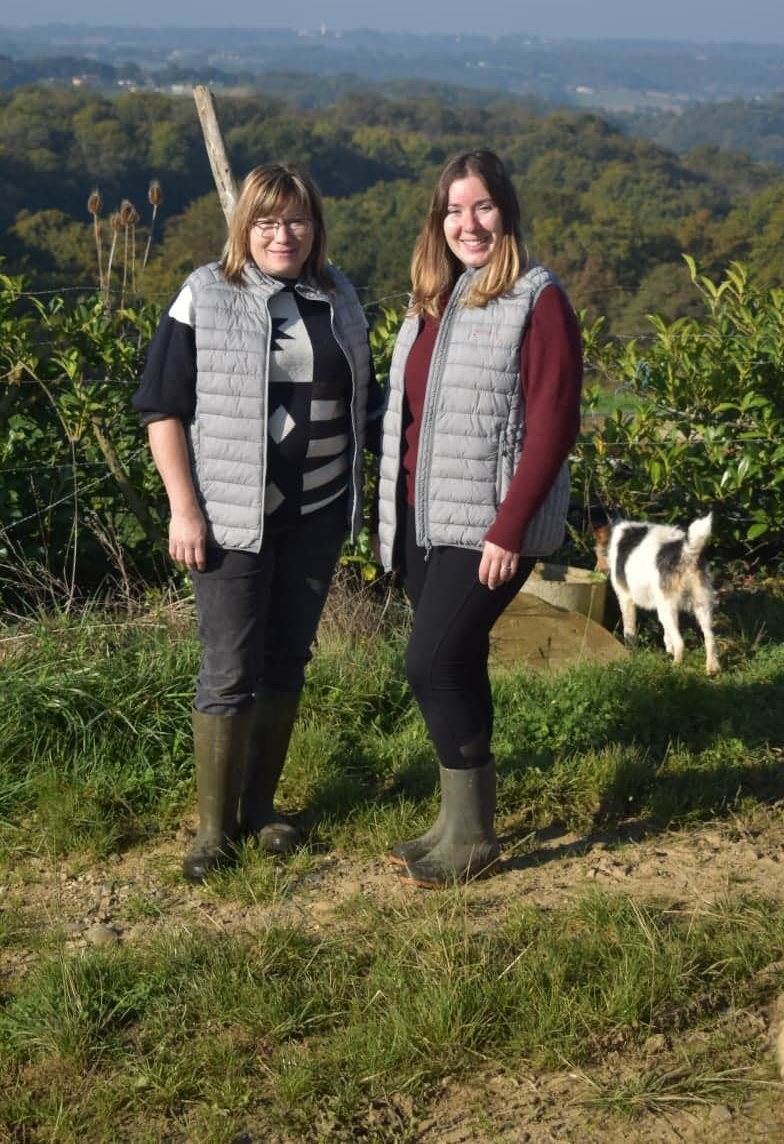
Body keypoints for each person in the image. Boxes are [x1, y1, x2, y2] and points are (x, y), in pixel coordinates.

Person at [133, 161, 381, 883]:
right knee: (229, 669)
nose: (283, 234)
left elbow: (365, 402)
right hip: (232, 521)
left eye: (297, 220)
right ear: (245, 225)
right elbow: (163, 407)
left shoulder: (338, 295)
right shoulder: (205, 293)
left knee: (286, 661)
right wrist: (185, 508)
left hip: (318, 514)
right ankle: (214, 831)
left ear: (316, 227)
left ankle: (262, 807)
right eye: (268, 221)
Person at [376, 150, 582, 888]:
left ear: (508, 213)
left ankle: (476, 836)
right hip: (423, 519)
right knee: (455, 662)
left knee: (428, 661)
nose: (468, 223)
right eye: (454, 210)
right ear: (439, 221)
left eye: (483, 208)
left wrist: (509, 526)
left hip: (488, 523)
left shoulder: (537, 297)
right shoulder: (435, 296)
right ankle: (456, 822)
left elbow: (554, 422)